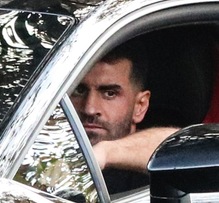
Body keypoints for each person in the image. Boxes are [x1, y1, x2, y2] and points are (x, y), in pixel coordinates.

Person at [72, 51, 176, 181]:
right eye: (79, 91)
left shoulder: (148, 180)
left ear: (140, 106)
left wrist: (105, 153)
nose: (90, 109)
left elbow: (185, 147)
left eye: (110, 93)